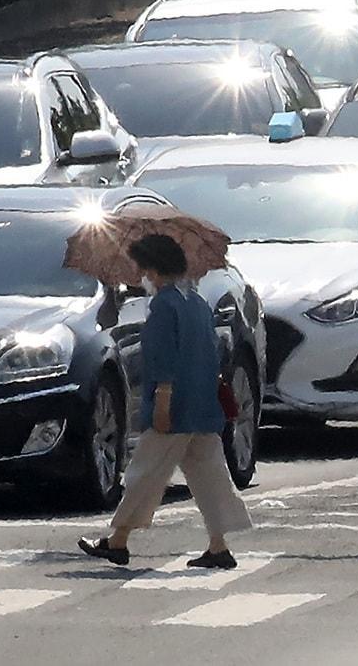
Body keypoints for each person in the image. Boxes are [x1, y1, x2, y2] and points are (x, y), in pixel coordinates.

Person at [78, 234, 252, 568]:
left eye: (141, 267)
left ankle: (118, 541)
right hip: (203, 405)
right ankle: (218, 546)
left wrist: (161, 402)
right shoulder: (197, 302)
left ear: (152, 269)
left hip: (174, 407)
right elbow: (211, 354)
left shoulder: (162, 306)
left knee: (145, 474)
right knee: (211, 477)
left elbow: (162, 360)